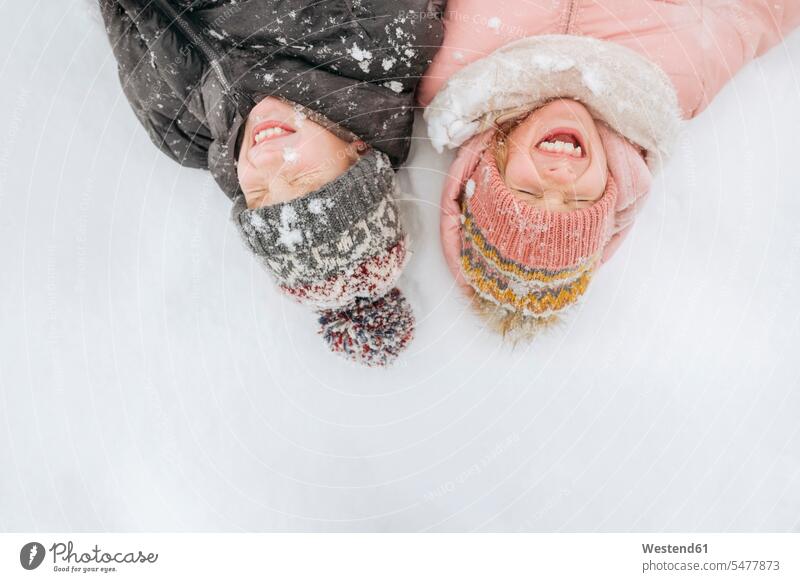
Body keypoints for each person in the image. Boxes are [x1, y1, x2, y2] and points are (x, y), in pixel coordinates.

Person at [419, 0, 800, 341]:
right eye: (580, 199)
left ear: (490, 166)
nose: (559, 178)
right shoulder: (679, 82)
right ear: (611, 187)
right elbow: (754, 13)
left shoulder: (455, 67)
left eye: (528, 192)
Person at [100, 0, 446, 366]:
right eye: (303, 177)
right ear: (359, 153)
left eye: (258, 193)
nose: (263, 161)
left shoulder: (182, 133)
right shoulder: (378, 34)